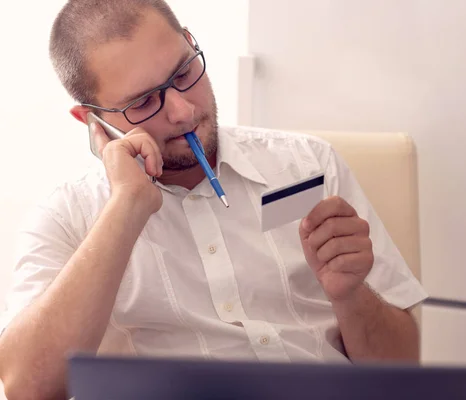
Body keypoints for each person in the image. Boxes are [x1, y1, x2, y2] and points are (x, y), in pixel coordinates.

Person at [0, 0, 427, 399]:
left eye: (184, 73)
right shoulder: (69, 216)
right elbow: (26, 386)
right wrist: (125, 207)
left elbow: (403, 370)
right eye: (144, 102)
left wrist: (351, 296)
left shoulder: (309, 165)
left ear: (190, 41)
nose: (183, 112)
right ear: (92, 120)